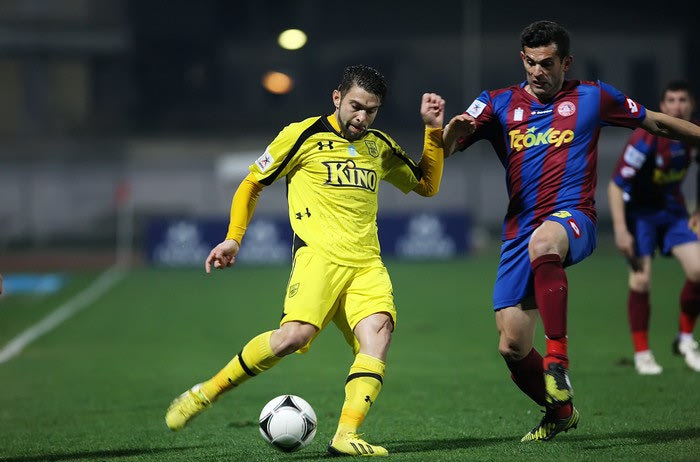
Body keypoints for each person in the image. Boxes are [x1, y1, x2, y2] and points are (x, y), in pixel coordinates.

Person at [165, 64, 449, 457]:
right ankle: (204, 394)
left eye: (371, 111)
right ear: (337, 98)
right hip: (318, 258)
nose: (362, 117)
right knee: (293, 337)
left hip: (367, 263)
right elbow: (252, 183)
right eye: (355, 106)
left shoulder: (379, 146)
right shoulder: (302, 135)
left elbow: (427, 185)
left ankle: (345, 435)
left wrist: (433, 131)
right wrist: (234, 238)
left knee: (379, 333)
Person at [443, 20, 700, 442]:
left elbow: (657, 122)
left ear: (566, 62)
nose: (537, 71)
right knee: (511, 345)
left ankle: (558, 360)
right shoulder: (496, 102)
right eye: (530, 62)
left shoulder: (594, 97)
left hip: (573, 217)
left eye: (547, 63)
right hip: (518, 232)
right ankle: (560, 411)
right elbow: (446, 148)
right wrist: (443, 134)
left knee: (545, 240)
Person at [607, 81, 700, 375]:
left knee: (698, 271)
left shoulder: (693, 135)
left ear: (692, 105)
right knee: (641, 280)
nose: (677, 106)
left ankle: (685, 338)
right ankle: (642, 354)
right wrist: (620, 230)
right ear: (662, 106)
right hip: (640, 216)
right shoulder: (645, 139)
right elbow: (616, 185)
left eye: (682, 100)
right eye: (670, 100)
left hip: (673, 212)